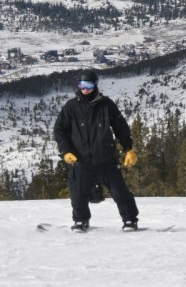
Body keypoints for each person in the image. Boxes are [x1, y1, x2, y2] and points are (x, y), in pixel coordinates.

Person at [52, 69, 140, 232]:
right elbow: (59, 130)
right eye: (82, 85)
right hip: (80, 161)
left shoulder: (106, 105)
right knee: (77, 195)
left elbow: (121, 127)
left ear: (95, 85)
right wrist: (66, 151)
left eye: (89, 85)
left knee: (120, 192)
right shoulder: (71, 107)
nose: (85, 89)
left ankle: (130, 220)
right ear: (78, 86)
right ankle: (80, 220)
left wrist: (128, 148)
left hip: (106, 159)